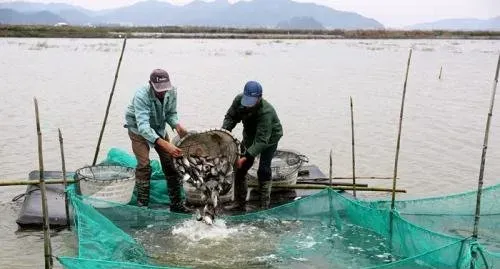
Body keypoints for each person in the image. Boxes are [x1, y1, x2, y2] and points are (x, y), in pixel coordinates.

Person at [124, 68, 192, 213]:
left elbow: (170, 113)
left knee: (170, 163)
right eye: (159, 89)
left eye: (165, 89)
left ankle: (176, 204)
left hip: (158, 127)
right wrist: (165, 144)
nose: (163, 92)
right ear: (150, 84)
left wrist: (177, 125)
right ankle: (143, 206)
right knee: (144, 165)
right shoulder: (141, 96)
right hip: (137, 129)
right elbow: (143, 127)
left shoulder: (172, 91)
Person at [222, 81, 283, 210]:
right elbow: (231, 117)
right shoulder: (239, 100)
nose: (248, 104)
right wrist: (224, 133)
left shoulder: (266, 112)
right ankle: (239, 202)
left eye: (252, 101)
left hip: (269, 138)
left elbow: (262, 141)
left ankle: (264, 205)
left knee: (263, 169)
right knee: (240, 168)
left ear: (260, 97)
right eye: (247, 100)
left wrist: (246, 156)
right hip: (250, 135)